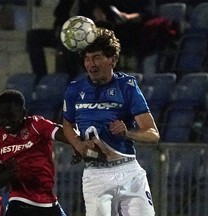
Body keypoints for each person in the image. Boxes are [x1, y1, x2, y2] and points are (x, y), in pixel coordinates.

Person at [62, 28, 160, 216]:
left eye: (97, 57)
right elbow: (67, 125)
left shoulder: (127, 86)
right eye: (87, 59)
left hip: (130, 172)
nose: (91, 64)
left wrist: (128, 132)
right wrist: (78, 144)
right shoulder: (75, 89)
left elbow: (153, 134)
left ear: (113, 59)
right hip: (96, 175)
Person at [0, 89, 84, 216]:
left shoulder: (36, 125)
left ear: (23, 113)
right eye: (2, 116)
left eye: (11, 116)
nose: (6, 121)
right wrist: (10, 173)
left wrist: (77, 145)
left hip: (48, 203)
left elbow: (66, 134)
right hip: (19, 201)